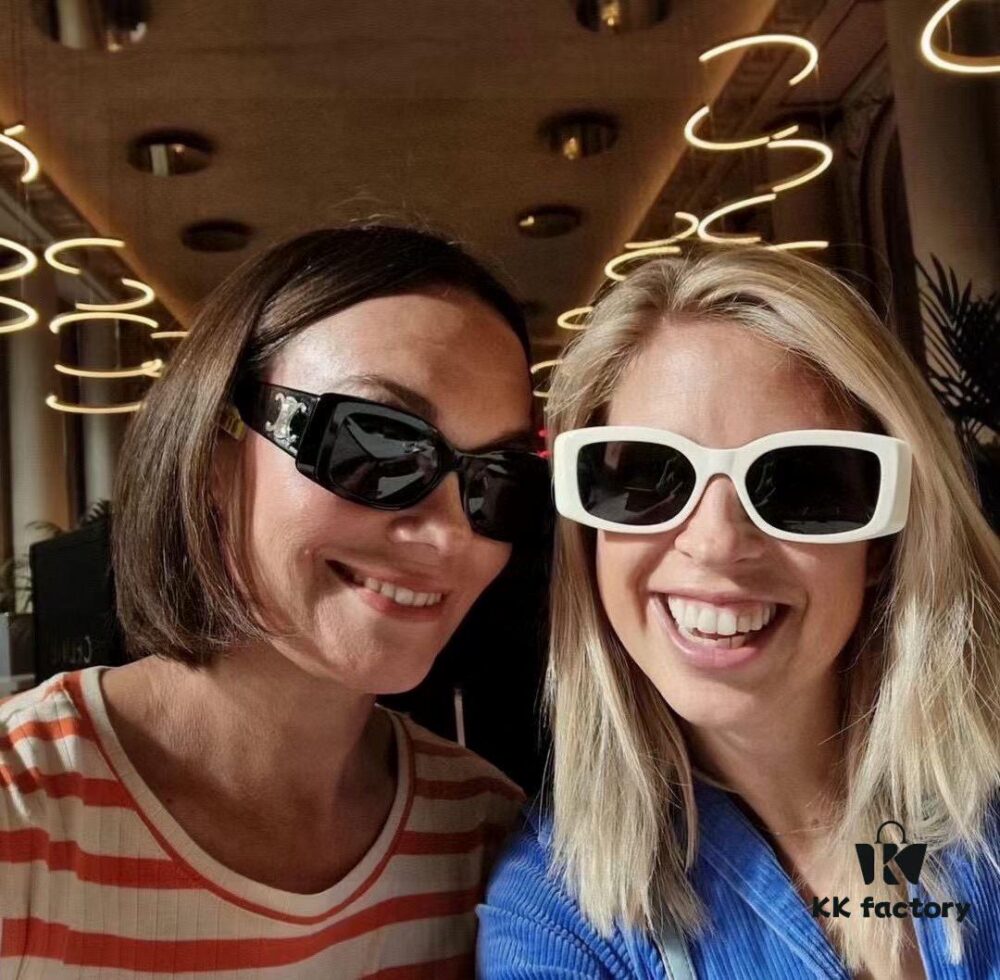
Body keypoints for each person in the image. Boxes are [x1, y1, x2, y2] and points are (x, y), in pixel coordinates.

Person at [0, 224, 552, 977]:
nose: (450, 533)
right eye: (374, 444)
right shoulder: (21, 808)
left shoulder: (486, 837)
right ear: (213, 448)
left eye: (499, 480)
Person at [478, 247, 1000, 979]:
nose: (717, 543)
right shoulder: (554, 919)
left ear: (883, 541)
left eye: (799, 482)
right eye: (650, 478)